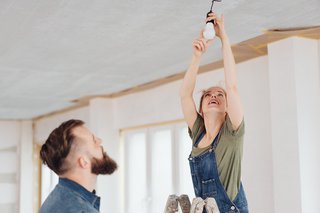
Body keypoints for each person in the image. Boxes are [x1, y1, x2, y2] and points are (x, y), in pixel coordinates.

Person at [180, 13, 248, 213]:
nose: (214, 96)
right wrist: (196, 57)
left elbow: (232, 86)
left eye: (220, 95)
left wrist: (223, 37)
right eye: (208, 94)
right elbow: (185, 95)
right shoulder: (197, 131)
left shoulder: (233, 132)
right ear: (201, 108)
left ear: (227, 107)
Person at [39, 119, 118, 213]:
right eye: (94, 141)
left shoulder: (53, 201)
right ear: (84, 162)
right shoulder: (83, 210)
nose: (100, 141)